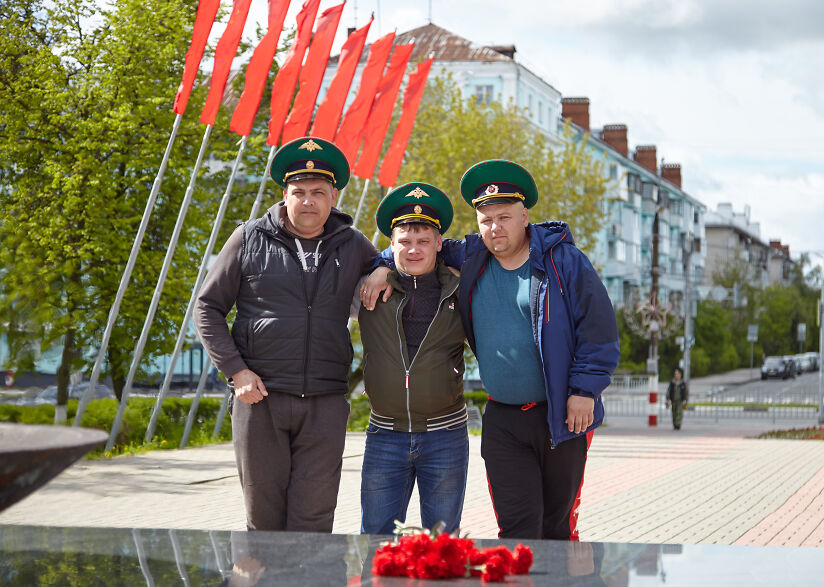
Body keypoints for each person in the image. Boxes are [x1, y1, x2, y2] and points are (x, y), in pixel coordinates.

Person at [363, 160, 619, 540]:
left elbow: (598, 331)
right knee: (516, 529)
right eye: (486, 219)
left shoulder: (564, 262)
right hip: (503, 420)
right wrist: (382, 265)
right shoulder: (471, 258)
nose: (495, 227)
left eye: (504, 217)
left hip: (563, 415)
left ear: (525, 216)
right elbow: (415, 246)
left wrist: (585, 391)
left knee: (558, 527)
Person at [194, 136, 378, 532]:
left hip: (325, 403)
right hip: (261, 399)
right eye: (299, 192)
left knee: (314, 520)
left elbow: (400, 266)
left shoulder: (354, 244)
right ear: (285, 194)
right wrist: (236, 372)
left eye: (318, 192)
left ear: (333, 197)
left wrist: (383, 270)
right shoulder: (248, 238)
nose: (308, 201)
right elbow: (207, 308)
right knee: (263, 520)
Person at [357, 182, 469, 535]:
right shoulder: (371, 289)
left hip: (446, 436)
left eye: (424, 241)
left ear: (439, 244)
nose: (414, 249)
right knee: (375, 540)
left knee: (441, 543)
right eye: (405, 241)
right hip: (384, 436)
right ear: (391, 245)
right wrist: (380, 267)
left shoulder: (462, 289)